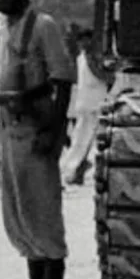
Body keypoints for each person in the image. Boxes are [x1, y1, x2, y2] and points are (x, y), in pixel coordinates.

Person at [0, 0, 75, 279]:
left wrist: (54, 131)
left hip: (35, 128)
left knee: (41, 207)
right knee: (17, 208)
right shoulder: (0, 34)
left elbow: (63, 79)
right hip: (9, 129)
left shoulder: (43, 26)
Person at [60, 26, 110, 186]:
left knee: (83, 140)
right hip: (93, 104)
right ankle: (74, 170)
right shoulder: (89, 57)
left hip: (87, 102)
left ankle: (77, 171)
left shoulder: (82, 57)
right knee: (85, 140)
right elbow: (100, 75)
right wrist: (112, 78)